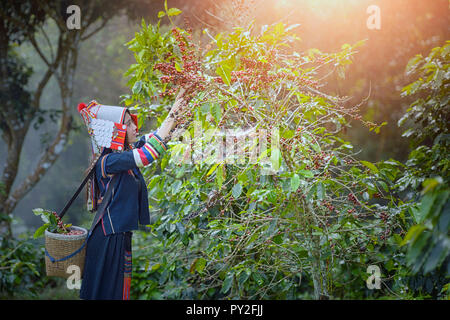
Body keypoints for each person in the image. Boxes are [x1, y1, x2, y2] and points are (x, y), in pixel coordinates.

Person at [77, 88, 188, 300]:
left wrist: (179, 107)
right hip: (108, 237)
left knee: (118, 292)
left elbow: (157, 136)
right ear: (114, 130)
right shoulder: (108, 161)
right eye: (128, 123)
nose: (134, 126)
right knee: (108, 293)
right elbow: (149, 153)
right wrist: (175, 108)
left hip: (118, 234)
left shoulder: (124, 153)